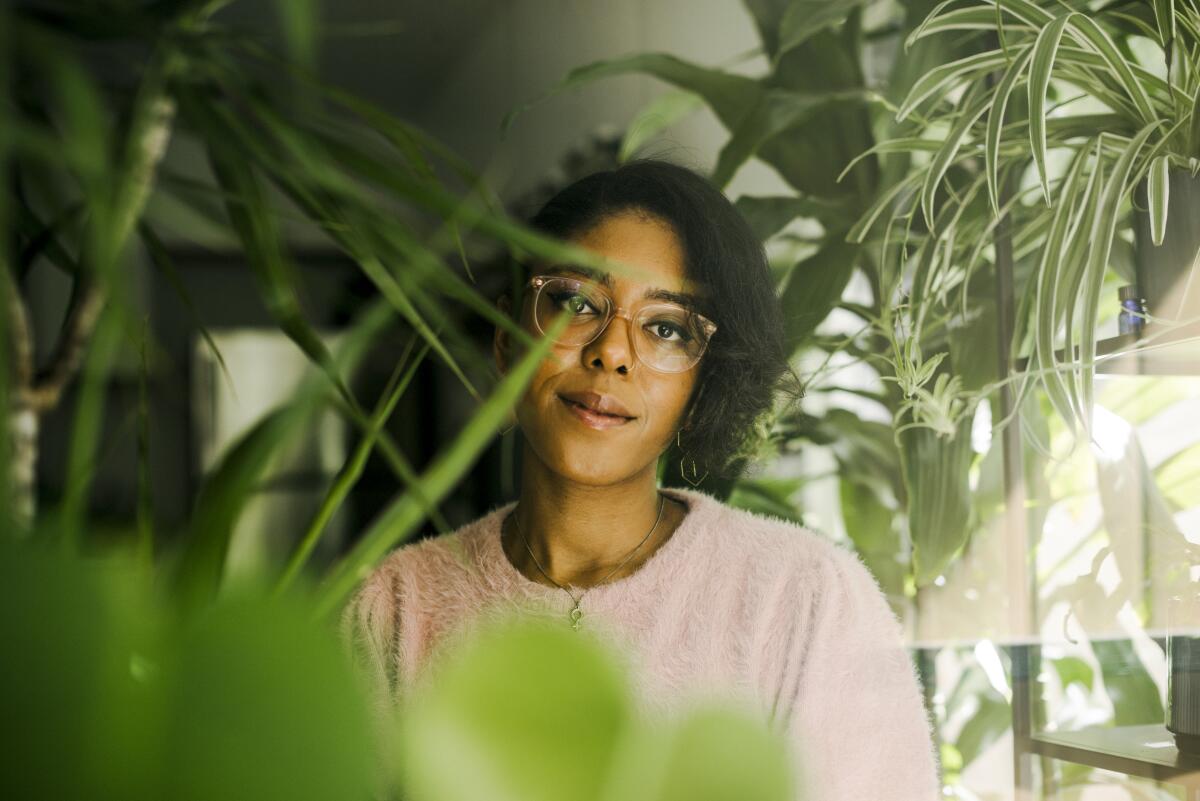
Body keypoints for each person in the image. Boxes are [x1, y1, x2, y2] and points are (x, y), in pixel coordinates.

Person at [341, 158, 940, 800]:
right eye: (575, 302)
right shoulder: (392, 610)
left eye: (665, 328)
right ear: (507, 339)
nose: (612, 352)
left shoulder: (802, 599)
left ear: (702, 387)